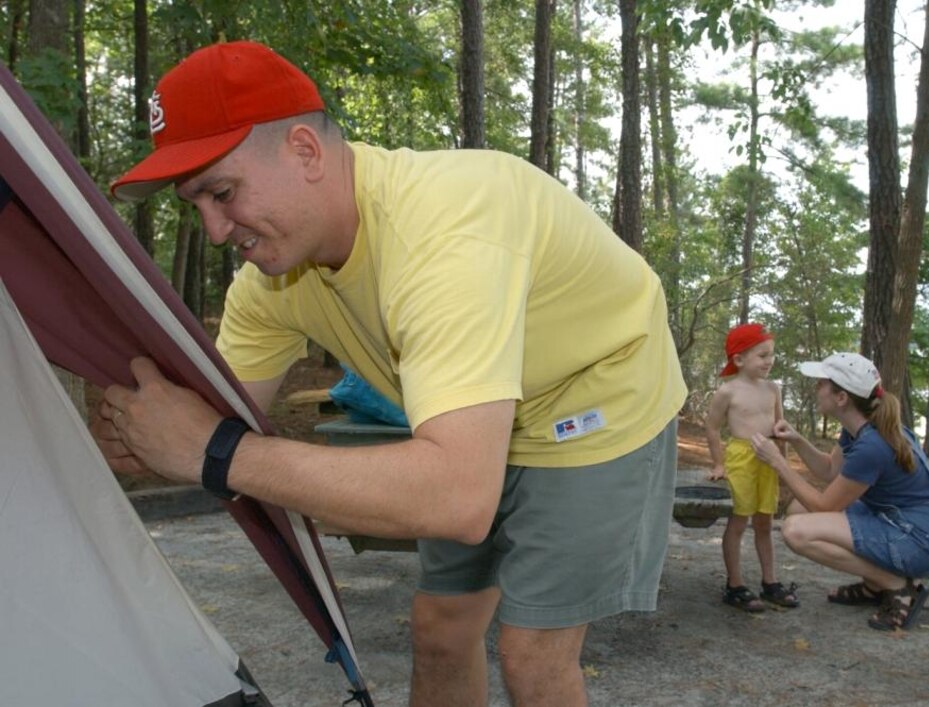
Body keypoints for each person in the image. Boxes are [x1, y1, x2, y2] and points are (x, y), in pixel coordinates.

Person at [93, 41, 686, 705]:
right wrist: (144, 430)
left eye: (222, 192)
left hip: (594, 399)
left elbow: (457, 497)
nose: (215, 227)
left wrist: (217, 452)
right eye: (194, 204)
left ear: (305, 151)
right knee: (439, 628)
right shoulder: (271, 284)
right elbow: (206, 417)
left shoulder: (446, 230)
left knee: (532, 654)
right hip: (476, 420)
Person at [749, 352, 929, 631]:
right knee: (798, 508)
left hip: (920, 541)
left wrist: (777, 462)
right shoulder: (859, 429)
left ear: (841, 397)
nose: (815, 388)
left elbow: (824, 507)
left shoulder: (873, 445)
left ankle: (894, 585)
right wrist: (797, 440)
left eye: (821, 383)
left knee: (795, 530)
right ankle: (873, 587)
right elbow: (830, 470)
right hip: (901, 522)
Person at [704, 323, 799, 612]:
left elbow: (779, 428)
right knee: (738, 521)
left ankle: (770, 583)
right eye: (762, 355)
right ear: (739, 359)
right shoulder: (728, 391)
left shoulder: (773, 389)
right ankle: (735, 585)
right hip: (741, 459)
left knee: (764, 523)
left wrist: (782, 465)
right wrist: (720, 463)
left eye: (771, 355)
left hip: (767, 458)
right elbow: (711, 427)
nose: (769, 361)